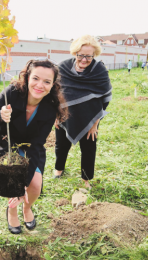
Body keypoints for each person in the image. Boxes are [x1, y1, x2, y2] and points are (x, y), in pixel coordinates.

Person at [0, 59, 68, 234]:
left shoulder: (50, 108)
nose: (39, 85)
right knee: (12, 182)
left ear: (53, 85)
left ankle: (27, 208)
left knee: (35, 185)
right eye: (35, 78)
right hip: (4, 144)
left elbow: (37, 144)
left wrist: (25, 183)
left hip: (29, 147)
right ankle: (12, 210)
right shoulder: (12, 93)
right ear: (27, 77)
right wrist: (0, 116)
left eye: (47, 82)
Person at [53, 35, 112, 189]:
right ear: (75, 53)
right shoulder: (63, 67)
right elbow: (54, 92)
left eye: (89, 56)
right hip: (64, 116)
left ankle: (86, 179)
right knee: (61, 145)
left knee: (88, 149)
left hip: (90, 118)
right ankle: (59, 169)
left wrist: (94, 123)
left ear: (94, 55)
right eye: (81, 55)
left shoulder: (99, 70)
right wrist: (55, 114)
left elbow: (105, 99)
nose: (85, 60)